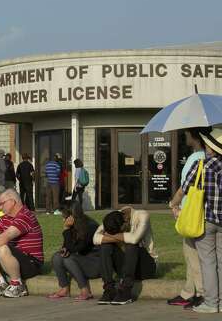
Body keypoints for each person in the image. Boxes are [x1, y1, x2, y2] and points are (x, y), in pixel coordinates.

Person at [177, 127, 222, 313]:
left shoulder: (202, 165)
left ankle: (212, 303)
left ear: (209, 148)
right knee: (221, 261)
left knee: (208, 262)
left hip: (207, 219)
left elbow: (185, 189)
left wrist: (173, 203)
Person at [167, 128, 208, 309]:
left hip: (192, 212)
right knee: (191, 253)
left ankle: (200, 293)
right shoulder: (206, 156)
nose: (184, 136)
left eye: (186, 134)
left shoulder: (197, 158)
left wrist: (174, 205)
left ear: (194, 137)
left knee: (193, 254)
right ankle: (189, 292)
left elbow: (187, 187)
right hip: (198, 211)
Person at [93, 206, 157, 305]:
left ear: (126, 220)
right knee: (105, 246)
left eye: (119, 231)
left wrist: (108, 236)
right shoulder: (114, 217)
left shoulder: (142, 215)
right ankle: (109, 289)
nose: (117, 234)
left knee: (131, 245)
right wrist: (115, 238)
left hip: (146, 267)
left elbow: (134, 239)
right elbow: (95, 238)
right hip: (124, 266)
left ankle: (126, 290)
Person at [47, 201, 100, 300]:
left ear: (72, 215)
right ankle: (64, 288)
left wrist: (66, 229)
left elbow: (77, 248)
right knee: (57, 257)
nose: (63, 219)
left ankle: (85, 290)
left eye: (64, 216)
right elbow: (68, 247)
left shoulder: (90, 226)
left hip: (94, 264)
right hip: (82, 260)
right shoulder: (74, 225)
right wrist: (64, 249)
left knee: (68, 259)